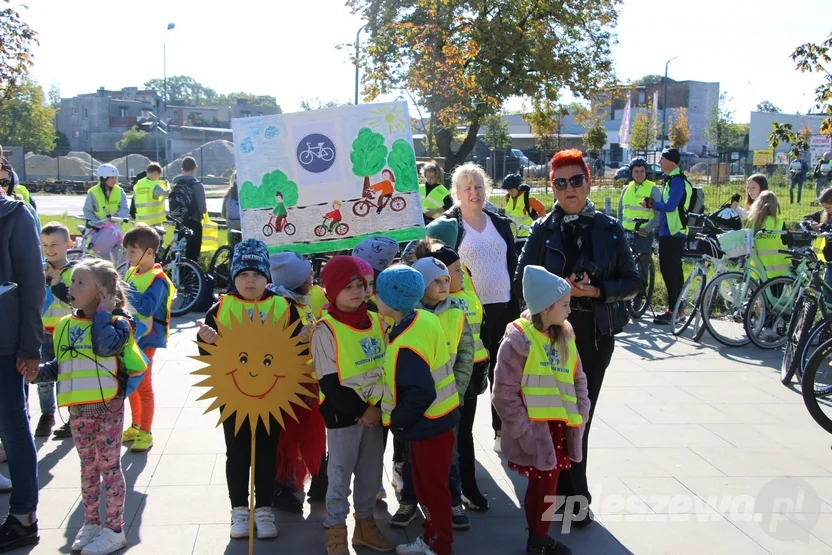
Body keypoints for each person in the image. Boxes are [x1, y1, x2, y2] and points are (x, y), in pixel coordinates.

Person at [514, 148, 638, 527]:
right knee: (556, 416)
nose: (569, 189)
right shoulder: (542, 228)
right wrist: (557, 291)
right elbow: (523, 279)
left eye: (576, 180)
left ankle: (574, 496)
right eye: (560, 182)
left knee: (580, 416)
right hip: (552, 336)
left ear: (589, 182)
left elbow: (633, 282)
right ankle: (567, 497)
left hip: (594, 333)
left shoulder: (610, 228)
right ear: (552, 187)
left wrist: (597, 290)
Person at [33, 258, 147, 555]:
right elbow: (62, 365)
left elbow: (104, 346)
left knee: (109, 469)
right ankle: (92, 523)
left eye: (79, 282)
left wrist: (105, 313)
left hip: (108, 409)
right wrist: (37, 372)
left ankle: (114, 529)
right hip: (78, 412)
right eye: (72, 282)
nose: (71, 287)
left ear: (101, 292)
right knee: (87, 469)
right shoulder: (67, 325)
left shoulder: (119, 323)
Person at [494, 266, 590, 555]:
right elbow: (504, 394)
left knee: (546, 484)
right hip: (536, 431)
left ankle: (538, 537)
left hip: (558, 428)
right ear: (546, 307)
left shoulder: (565, 335)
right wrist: (523, 431)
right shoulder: (518, 341)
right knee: (544, 485)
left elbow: (578, 377)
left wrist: (581, 409)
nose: (569, 311)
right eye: (564, 305)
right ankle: (538, 539)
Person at [197, 239, 287, 540]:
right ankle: (239, 508)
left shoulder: (282, 306)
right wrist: (205, 341)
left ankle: (263, 508)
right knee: (236, 453)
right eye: (244, 274)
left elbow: (296, 350)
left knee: (266, 451)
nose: (250, 280)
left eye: (257, 274)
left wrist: (303, 336)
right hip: (233, 394)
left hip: (272, 393)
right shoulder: (221, 307)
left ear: (267, 278)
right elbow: (209, 356)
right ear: (234, 277)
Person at [313, 256, 395, 555]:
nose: (356, 291)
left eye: (360, 284)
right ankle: (335, 531)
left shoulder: (376, 320)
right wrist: (362, 411)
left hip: (376, 414)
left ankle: (365, 526)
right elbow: (330, 383)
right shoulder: (326, 329)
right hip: (345, 416)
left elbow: (387, 364)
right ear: (332, 291)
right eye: (347, 287)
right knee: (339, 476)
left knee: (371, 473)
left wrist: (376, 409)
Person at [377, 265, 460, 555]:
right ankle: (431, 537)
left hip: (428, 425)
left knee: (433, 490)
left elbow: (421, 391)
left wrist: (398, 422)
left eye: (379, 293)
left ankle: (440, 546)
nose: (375, 297)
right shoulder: (423, 318)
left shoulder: (405, 344)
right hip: (440, 419)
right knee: (428, 487)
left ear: (391, 300)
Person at [439, 162, 518, 453]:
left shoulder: (498, 222)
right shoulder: (449, 227)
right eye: (467, 188)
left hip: (504, 309)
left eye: (479, 186)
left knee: (505, 374)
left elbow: (511, 263)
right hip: (468, 316)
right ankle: (462, 442)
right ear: (457, 193)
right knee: (469, 376)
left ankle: (501, 432)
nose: (474, 192)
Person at [390, 255, 473, 531]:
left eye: (446, 280)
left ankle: (452, 503)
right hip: (414, 406)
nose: (443, 285)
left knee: (450, 458)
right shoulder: (405, 316)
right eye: (436, 281)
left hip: (445, 406)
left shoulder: (457, 315)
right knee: (411, 456)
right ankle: (410, 501)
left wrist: (458, 392)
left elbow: (465, 358)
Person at [0, 181, 44, 551]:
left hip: (4, 342)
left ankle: (23, 515)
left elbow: (33, 284)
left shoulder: (14, 215)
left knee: (12, 424)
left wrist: (30, 346)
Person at [267, 252, 327, 511]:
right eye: (308, 276)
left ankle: (315, 476)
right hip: (290, 385)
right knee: (288, 437)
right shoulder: (282, 307)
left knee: (311, 431)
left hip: (309, 381)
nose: (312, 280)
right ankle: (280, 485)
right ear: (294, 281)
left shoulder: (301, 302)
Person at [121, 225, 174, 453]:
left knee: (143, 386)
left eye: (132, 252)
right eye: (127, 251)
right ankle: (135, 425)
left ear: (149, 253)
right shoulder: (132, 273)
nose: (128, 257)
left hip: (148, 340)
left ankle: (146, 432)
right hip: (132, 338)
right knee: (131, 384)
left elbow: (147, 307)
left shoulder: (158, 280)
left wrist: (123, 290)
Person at [643, 148, 692, 325]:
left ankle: (674, 310)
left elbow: (671, 206)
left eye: (662, 159)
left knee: (670, 272)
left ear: (671, 161)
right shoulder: (673, 179)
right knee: (674, 272)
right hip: (671, 231)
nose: (659, 162)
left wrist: (653, 204)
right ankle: (678, 309)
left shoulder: (677, 181)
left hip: (673, 232)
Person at [38, 222, 77, 440]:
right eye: (44, 245)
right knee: (43, 378)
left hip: (67, 333)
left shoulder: (74, 271)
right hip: (43, 332)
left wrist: (55, 284)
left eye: (54, 244)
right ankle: (47, 414)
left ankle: (73, 417)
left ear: (68, 244)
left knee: (67, 378)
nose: (49, 249)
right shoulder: (38, 270)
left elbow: (76, 301)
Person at [170, 156, 207, 261]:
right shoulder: (197, 186)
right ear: (196, 168)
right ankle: (191, 276)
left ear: (182, 170)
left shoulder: (176, 185)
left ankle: (178, 274)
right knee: (192, 255)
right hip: (194, 223)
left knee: (179, 253)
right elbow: (203, 209)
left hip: (180, 223)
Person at [747, 191, 790, 278]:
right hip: (778, 270)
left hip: (757, 270)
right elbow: (789, 241)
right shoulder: (779, 223)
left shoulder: (751, 222)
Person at [618, 158, 661, 237]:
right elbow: (620, 212)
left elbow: (660, 214)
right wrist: (620, 229)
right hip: (625, 234)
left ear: (646, 172)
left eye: (642, 171)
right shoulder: (626, 189)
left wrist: (647, 229)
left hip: (644, 234)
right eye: (636, 171)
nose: (639, 174)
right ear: (631, 173)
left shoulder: (653, 189)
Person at [502, 173, 547, 242]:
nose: (510, 193)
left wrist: (541, 227)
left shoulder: (528, 197)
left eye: (511, 190)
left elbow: (542, 208)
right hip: (513, 235)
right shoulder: (508, 197)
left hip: (526, 235)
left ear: (518, 187)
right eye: (508, 190)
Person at [221, 172, 242, 247]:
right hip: (243, 226)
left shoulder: (228, 194)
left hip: (231, 225)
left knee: (231, 247)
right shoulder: (246, 192)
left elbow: (223, 213)